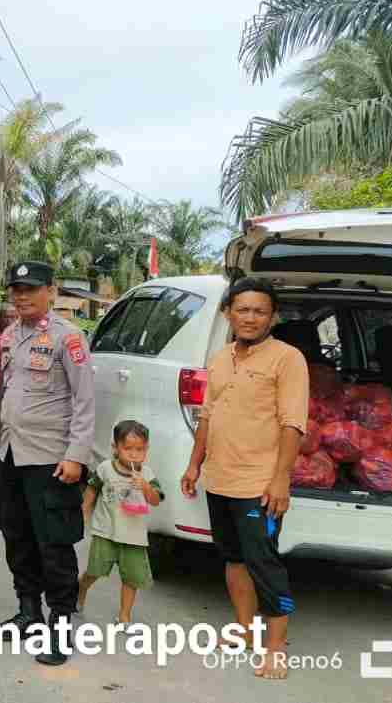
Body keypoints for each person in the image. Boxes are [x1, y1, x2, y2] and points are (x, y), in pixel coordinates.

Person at [182, 276, 306, 680]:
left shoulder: (287, 359)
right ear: (228, 313)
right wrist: (194, 463)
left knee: (264, 563)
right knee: (233, 559)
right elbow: (207, 416)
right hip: (220, 479)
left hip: (259, 484)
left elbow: (292, 424)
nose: (250, 318)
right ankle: (243, 631)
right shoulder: (219, 359)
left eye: (259, 311)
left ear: (273, 317)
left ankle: (275, 649)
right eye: (243, 310)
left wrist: (281, 480)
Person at [0, 260, 94, 666]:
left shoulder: (68, 338)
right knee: (16, 535)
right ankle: (29, 609)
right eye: (17, 289)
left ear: (51, 291)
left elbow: (85, 400)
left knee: (53, 542)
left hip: (51, 457)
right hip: (12, 452)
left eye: (31, 289)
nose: (22, 296)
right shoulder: (8, 335)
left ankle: (60, 621)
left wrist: (76, 455)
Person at [77, 420, 163, 623]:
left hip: (134, 536)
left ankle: (124, 616)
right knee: (94, 571)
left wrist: (144, 487)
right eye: (128, 448)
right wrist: (84, 512)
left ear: (147, 449)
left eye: (140, 449)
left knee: (131, 579)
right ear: (115, 448)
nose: (134, 454)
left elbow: (157, 500)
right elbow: (92, 489)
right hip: (105, 531)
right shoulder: (105, 468)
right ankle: (80, 589)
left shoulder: (147, 474)